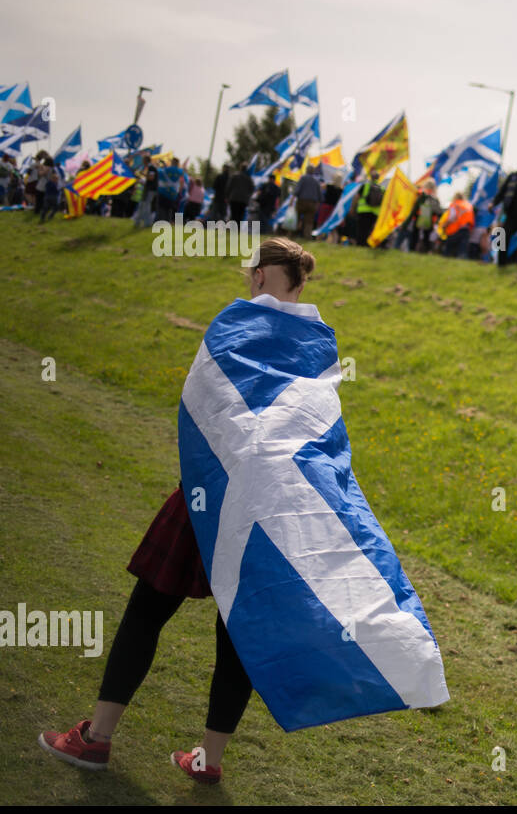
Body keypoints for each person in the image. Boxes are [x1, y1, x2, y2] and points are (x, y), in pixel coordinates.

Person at [38, 238, 320, 785]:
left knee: (147, 609)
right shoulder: (316, 339)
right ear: (299, 283)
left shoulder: (239, 322)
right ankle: (210, 761)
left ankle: (95, 738)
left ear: (260, 276)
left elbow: (201, 400)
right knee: (237, 632)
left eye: (249, 275)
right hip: (274, 504)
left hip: (211, 492)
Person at [353, 170, 385, 245]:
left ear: (371, 177)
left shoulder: (365, 186)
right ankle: (367, 244)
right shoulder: (382, 188)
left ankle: (360, 245)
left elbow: (356, 197)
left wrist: (353, 208)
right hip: (375, 212)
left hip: (363, 211)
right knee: (370, 230)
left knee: (361, 229)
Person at [295, 166, 322, 239]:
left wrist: (292, 200)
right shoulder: (316, 181)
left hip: (301, 201)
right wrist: (317, 205)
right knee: (309, 221)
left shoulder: (303, 178)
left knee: (297, 218)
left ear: (306, 170)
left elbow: (297, 191)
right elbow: (320, 195)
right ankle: (307, 236)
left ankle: (293, 234)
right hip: (312, 203)